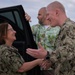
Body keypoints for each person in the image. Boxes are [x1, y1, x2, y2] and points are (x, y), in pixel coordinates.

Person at [26, 1, 75, 75]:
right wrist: (51, 62)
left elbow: (70, 52)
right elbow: (66, 61)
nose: (47, 18)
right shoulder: (64, 29)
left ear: (57, 12)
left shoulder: (70, 27)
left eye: (48, 14)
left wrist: (47, 54)